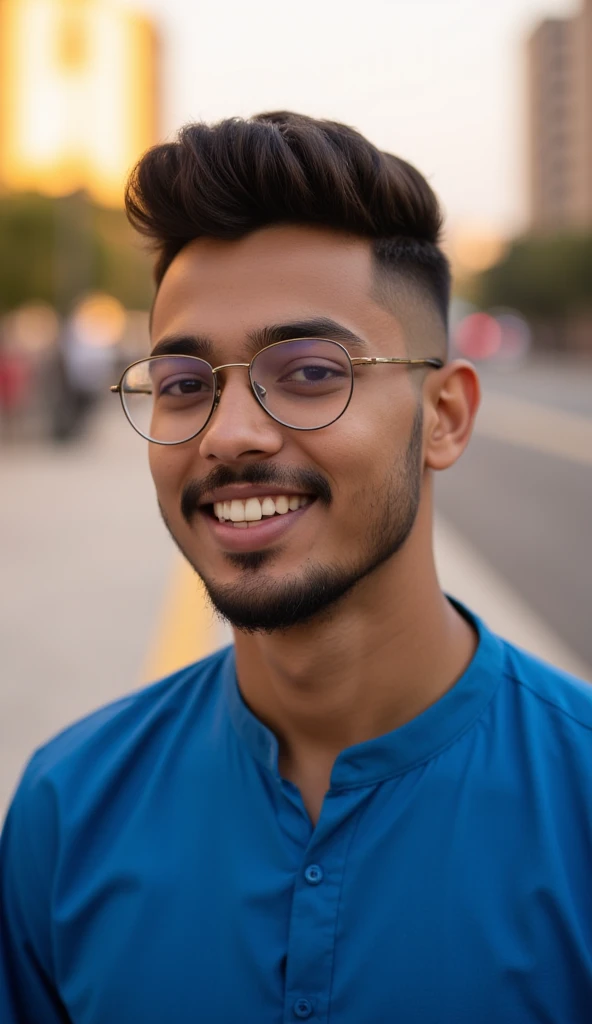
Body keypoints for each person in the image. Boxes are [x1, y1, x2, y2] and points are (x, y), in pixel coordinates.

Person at [1, 112, 591, 1023]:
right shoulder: (68, 808)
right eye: (185, 384)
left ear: (444, 417)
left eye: (312, 372)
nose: (230, 435)